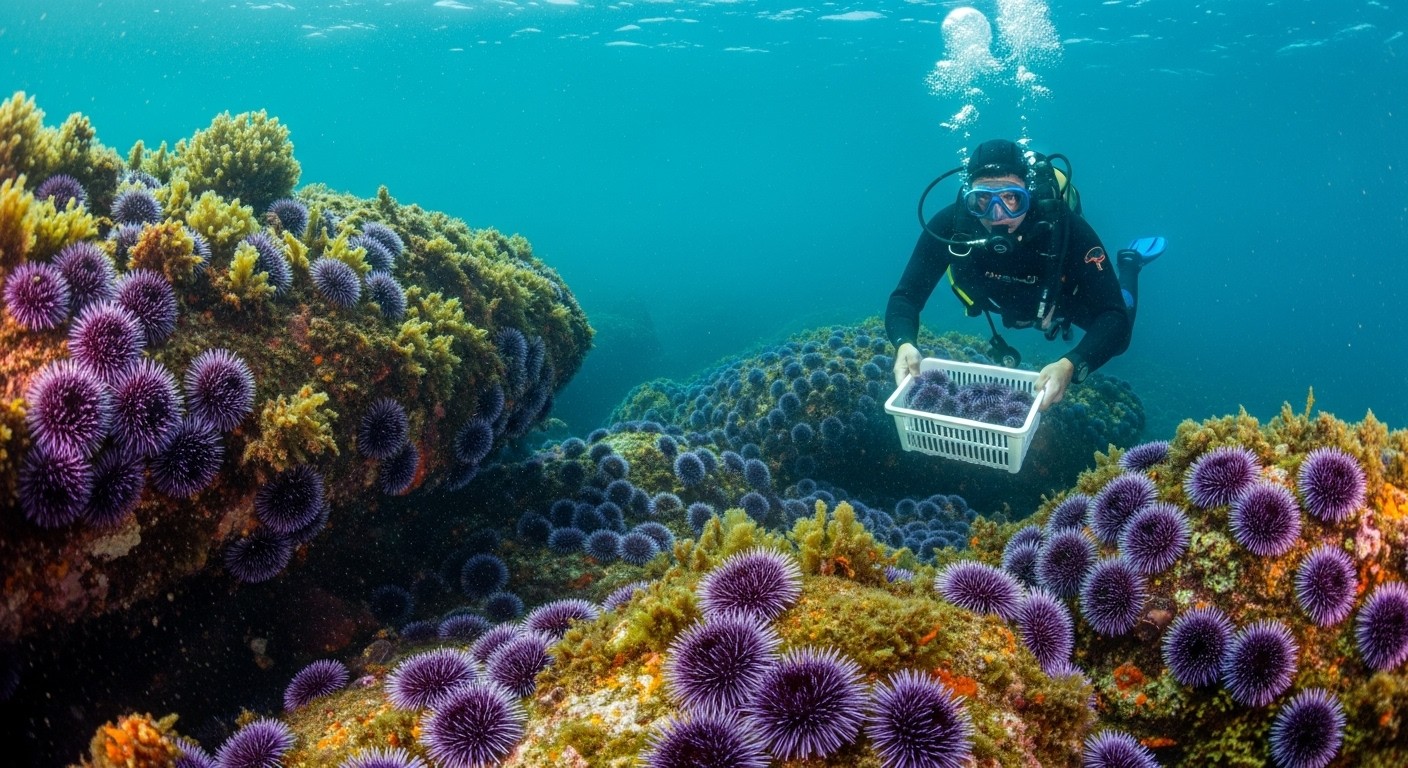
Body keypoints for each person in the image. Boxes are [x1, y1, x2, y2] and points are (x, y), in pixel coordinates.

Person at [885, 138, 1162, 409]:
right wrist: (904, 343)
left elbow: (1113, 318)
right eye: (982, 199)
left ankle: (1130, 263)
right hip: (1001, 301)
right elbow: (905, 297)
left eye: (1011, 198)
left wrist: (1070, 364)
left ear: (1027, 196)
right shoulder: (950, 227)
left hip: (1059, 299)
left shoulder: (1064, 227)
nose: (997, 214)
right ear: (968, 198)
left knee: (1121, 334)